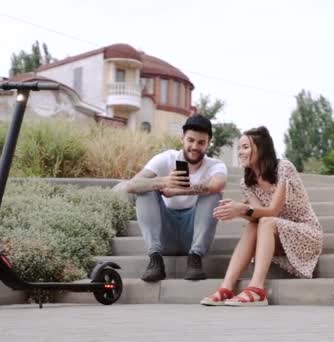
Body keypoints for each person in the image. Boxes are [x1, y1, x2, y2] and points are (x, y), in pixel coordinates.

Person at [201, 126, 323, 306]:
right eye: (239, 148)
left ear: (261, 149)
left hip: (305, 234)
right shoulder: (247, 183)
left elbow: (272, 211)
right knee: (255, 224)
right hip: (276, 236)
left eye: (245, 147)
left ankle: (257, 288)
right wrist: (239, 211)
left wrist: (242, 209)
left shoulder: (283, 168)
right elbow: (257, 216)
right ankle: (226, 287)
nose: (240, 152)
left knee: (266, 222)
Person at [126, 114, 227, 282]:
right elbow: (131, 185)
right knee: (146, 188)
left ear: (208, 144)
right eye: (191, 140)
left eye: (201, 142)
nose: (195, 146)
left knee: (213, 193)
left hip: (193, 232)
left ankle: (195, 258)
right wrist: (164, 181)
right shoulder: (166, 158)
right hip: (165, 233)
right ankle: (155, 260)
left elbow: (217, 185)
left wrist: (176, 191)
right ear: (183, 139)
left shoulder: (215, 165)